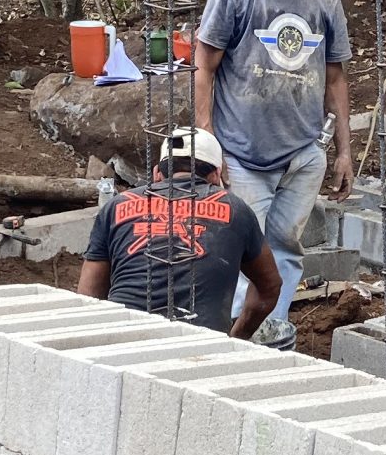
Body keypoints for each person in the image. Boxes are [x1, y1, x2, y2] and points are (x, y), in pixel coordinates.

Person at [193, 0, 354, 347]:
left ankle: (273, 336)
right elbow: (204, 66)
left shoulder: (325, 4)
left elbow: (336, 79)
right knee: (244, 250)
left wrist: (344, 150)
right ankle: (236, 341)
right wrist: (207, 138)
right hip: (242, 153)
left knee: (285, 246)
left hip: (301, 154)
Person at [78, 126, 281, 338]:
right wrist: (237, 338)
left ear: (157, 173)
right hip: (202, 346)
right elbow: (270, 285)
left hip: (124, 341)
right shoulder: (236, 209)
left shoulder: (116, 206)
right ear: (216, 175)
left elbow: (88, 297)